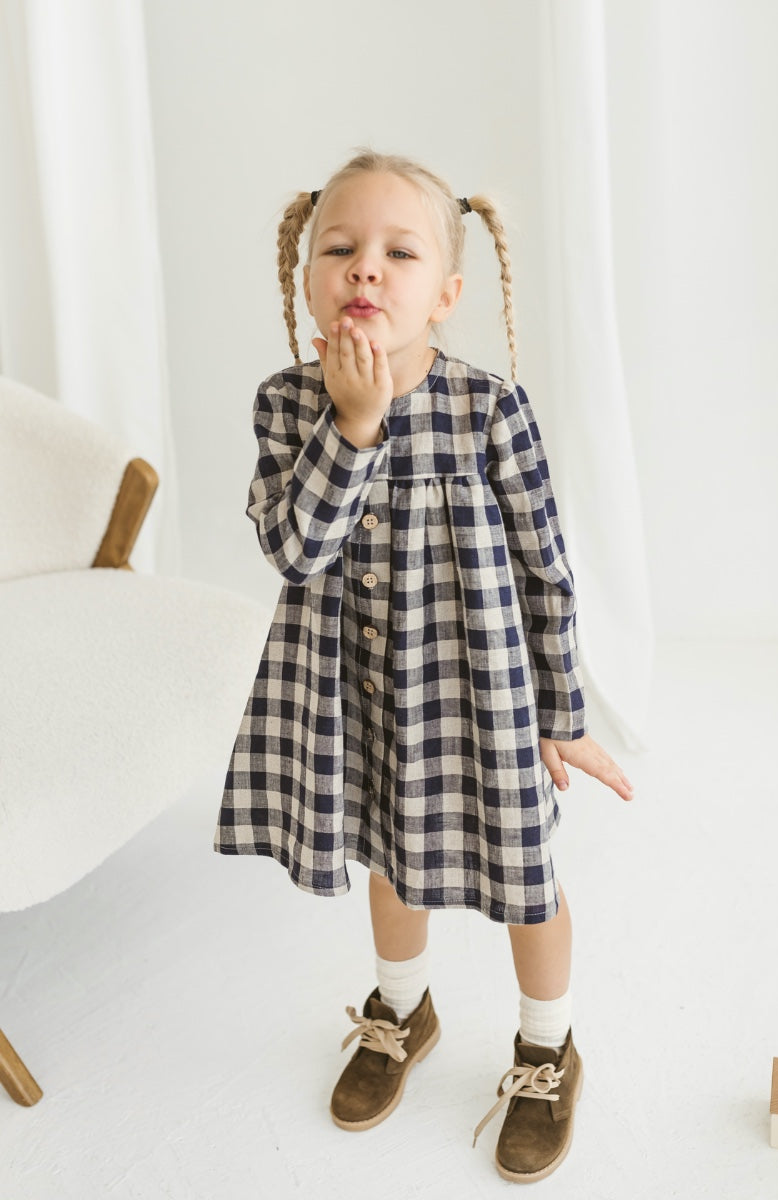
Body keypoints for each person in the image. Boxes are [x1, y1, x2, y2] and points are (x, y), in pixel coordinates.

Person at [214, 149, 633, 1184]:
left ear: (443, 294)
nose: (366, 271)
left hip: (478, 694)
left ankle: (547, 1044)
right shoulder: (285, 405)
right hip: (351, 693)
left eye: (398, 253)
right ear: (306, 277)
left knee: (524, 876)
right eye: (340, 249)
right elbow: (295, 550)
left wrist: (561, 705)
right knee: (389, 854)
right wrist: (351, 428)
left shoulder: (490, 410)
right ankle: (400, 1009)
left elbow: (545, 565)